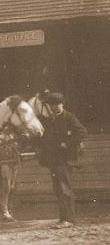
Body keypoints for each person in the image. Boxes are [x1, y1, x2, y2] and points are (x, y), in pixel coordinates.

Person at [38, 91, 87, 228]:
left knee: (65, 188)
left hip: (65, 159)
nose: (55, 107)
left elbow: (82, 132)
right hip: (54, 159)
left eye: (57, 104)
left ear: (62, 104)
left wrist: (68, 143)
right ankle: (63, 218)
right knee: (57, 188)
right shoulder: (51, 120)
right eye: (52, 105)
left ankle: (69, 220)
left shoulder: (69, 118)